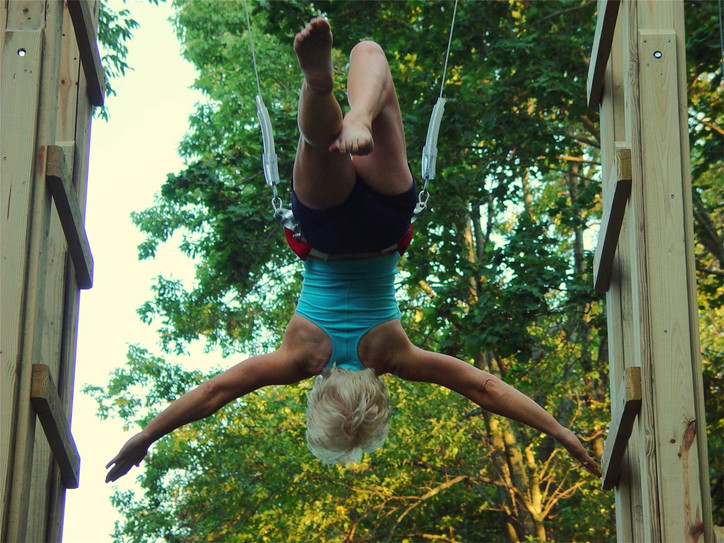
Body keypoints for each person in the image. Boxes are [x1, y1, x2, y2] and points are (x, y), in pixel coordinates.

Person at [105, 17, 601, 482]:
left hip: (386, 221)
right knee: (317, 141)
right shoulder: (299, 357)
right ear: (318, 396)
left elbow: (485, 388)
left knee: (370, 54)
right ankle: (320, 89)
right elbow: (216, 393)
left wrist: (559, 431)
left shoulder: (395, 355)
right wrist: (147, 435)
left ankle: (362, 113)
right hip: (323, 230)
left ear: (378, 396)